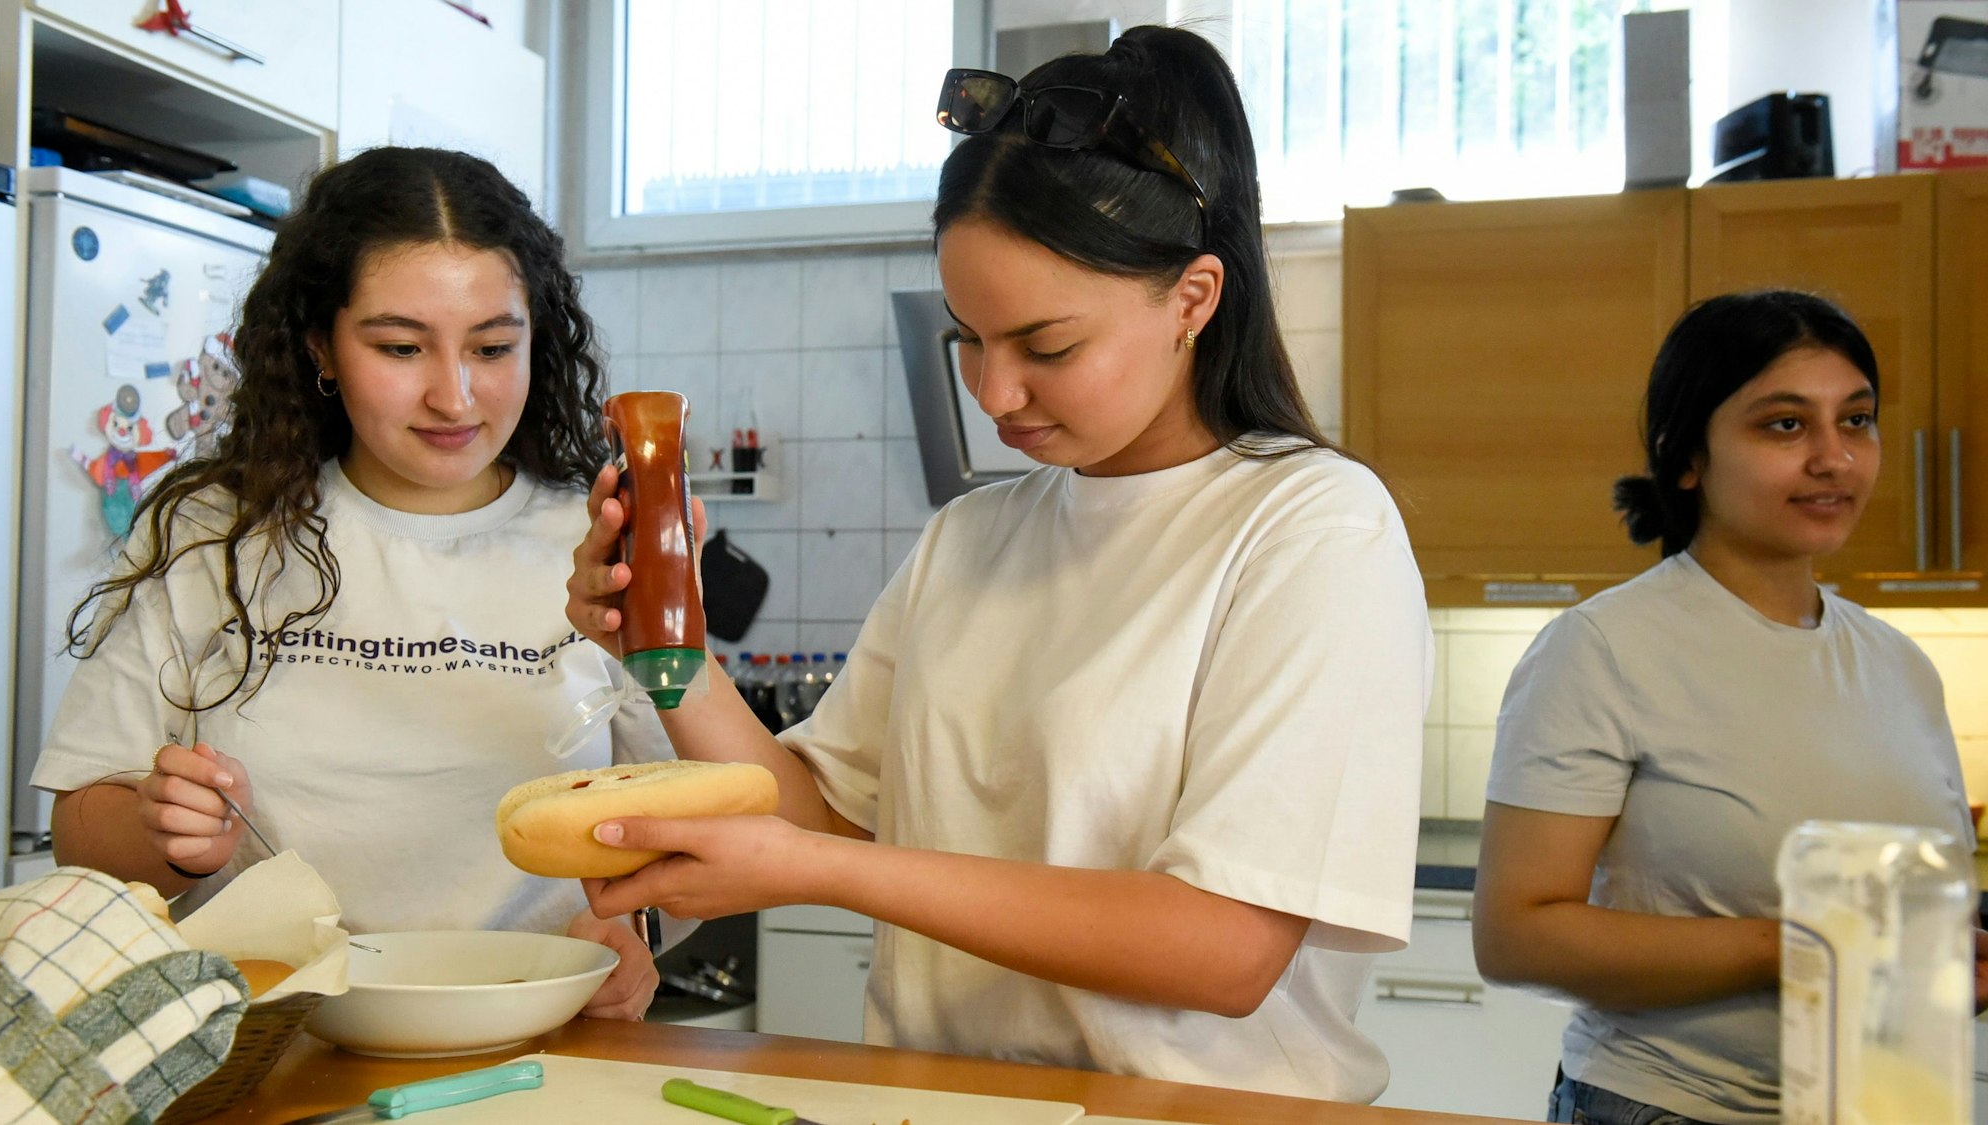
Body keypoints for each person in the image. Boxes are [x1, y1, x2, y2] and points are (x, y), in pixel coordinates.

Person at [566, 26, 1431, 1101]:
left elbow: (1222, 948)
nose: (993, 391)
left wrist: (829, 874)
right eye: (968, 337)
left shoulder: (1309, 528)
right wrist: (666, 640)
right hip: (937, 1102)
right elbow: (812, 808)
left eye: (1045, 346)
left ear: (1192, 300)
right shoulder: (972, 537)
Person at [36, 146, 663, 1021]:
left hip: (537, 1045)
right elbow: (79, 829)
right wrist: (165, 832)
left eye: (492, 347)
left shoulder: (602, 539)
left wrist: (637, 931)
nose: (455, 395)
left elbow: (672, 816)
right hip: (265, 1048)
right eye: (402, 346)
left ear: (537, 343)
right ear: (319, 344)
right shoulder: (213, 532)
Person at [1471, 290, 1978, 1124]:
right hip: (1669, 1106)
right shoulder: (1604, 648)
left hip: (1885, 1101)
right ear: (1686, 457)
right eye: (1784, 424)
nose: (1833, 458)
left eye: (1856, 420)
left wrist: (1938, 962)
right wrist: (1797, 948)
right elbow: (1515, 935)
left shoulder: (1901, 666)